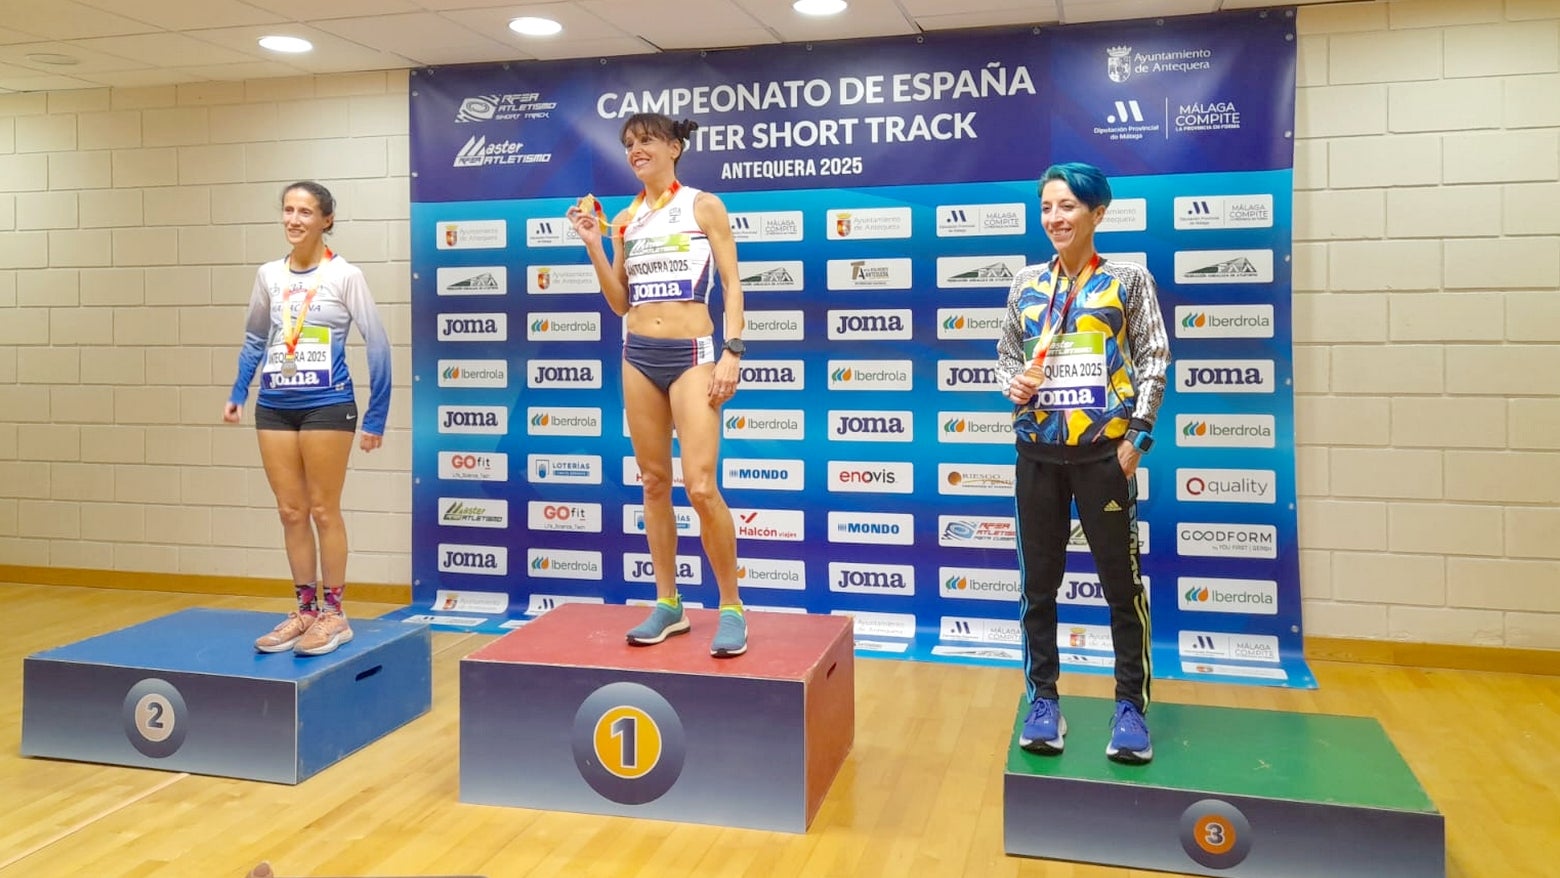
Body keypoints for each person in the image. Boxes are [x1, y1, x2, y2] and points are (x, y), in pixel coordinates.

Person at [994, 162, 1170, 764]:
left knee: (1122, 589)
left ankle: (1130, 708)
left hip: (1104, 457)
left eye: (1067, 206)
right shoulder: (1025, 284)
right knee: (1038, 587)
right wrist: (1012, 383)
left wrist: (1137, 439)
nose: (1054, 218)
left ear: (1097, 213)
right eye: (1046, 207)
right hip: (1037, 455)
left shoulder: (1127, 280)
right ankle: (1043, 701)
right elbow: (1005, 356)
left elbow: (1154, 357)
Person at [566, 113, 748, 657]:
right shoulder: (625, 219)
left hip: (694, 355)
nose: (635, 151)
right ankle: (669, 604)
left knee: (699, 485)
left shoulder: (702, 204)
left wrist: (732, 352)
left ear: (674, 147)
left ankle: (732, 606)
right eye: (628, 145)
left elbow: (733, 285)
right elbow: (621, 302)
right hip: (638, 354)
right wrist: (594, 245)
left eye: (646, 141)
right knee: (651, 481)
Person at [223, 181, 392, 657]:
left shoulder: (345, 276)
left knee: (322, 510)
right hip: (274, 405)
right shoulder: (268, 276)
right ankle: (304, 609)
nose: (293, 220)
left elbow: (377, 345)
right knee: (289, 511)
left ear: (326, 220)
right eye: (288, 210)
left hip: (328, 404)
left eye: (305, 212)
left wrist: (376, 416)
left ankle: (335, 614)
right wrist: (239, 391)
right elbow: (256, 339)